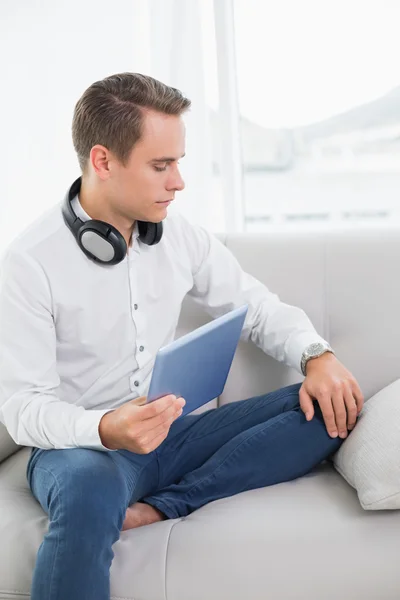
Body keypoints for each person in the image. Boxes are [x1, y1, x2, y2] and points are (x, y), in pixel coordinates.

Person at [0, 72, 364, 600]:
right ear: (103, 161)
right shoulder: (28, 264)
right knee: (91, 486)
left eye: (179, 163)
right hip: (78, 448)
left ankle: (162, 506)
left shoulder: (181, 237)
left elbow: (256, 306)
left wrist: (318, 356)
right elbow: (21, 408)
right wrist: (105, 427)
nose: (178, 182)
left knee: (331, 409)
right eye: (160, 165)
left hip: (169, 432)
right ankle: (125, 494)